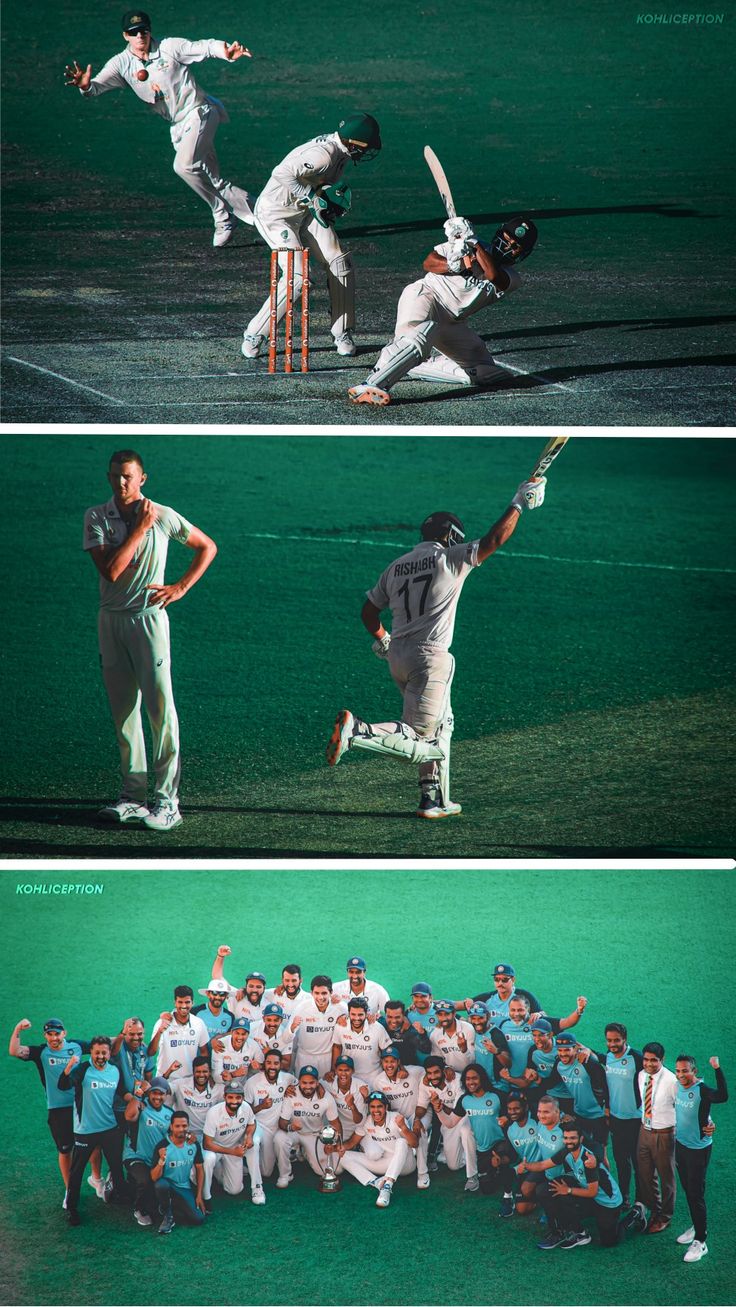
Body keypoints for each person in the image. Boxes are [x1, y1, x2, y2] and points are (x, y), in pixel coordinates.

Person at [326, 484, 546, 818]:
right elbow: (493, 541)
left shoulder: (396, 565)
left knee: (444, 724)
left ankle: (433, 799)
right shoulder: (450, 558)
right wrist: (519, 504)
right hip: (430, 660)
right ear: (450, 535)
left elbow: (368, 612)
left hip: (398, 656)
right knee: (420, 737)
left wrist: (384, 639)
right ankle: (357, 731)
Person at [84, 450, 217, 831]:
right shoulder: (96, 517)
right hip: (110, 622)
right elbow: (111, 571)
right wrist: (140, 529)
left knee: (160, 711)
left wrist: (181, 587)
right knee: (124, 712)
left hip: (149, 622)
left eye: (128, 477)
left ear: (143, 478)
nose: (120, 484)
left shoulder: (164, 515)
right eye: (114, 477)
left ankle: (167, 801)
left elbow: (206, 546)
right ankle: (133, 797)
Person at [64, 10, 256, 247]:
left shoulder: (169, 47)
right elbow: (95, 88)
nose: (140, 36)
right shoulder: (120, 64)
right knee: (214, 181)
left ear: (150, 31)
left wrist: (224, 51)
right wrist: (85, 86)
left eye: (143, 30)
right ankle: (264, 211)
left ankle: (222, 215)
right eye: (134, 33)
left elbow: (203, 47)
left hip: (200, 113)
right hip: (178, 127)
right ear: (126, 36)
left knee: (183, 166)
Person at [348, 214, 537, 405]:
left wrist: (473, 243)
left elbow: (494, 276)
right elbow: (429, 262)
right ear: (499, 234)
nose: (506, 248)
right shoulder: (463, 243)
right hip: (426, 296)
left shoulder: (512, 277)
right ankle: (371, 384)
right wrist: (454, 264)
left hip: (452, 321)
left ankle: (412, 366)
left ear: (522, 254)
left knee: (487, 373)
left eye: (514, 247)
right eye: (505, 240)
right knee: (419, 335)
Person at [241, 113, 381, 360]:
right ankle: (255, 334)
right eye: (366, 146)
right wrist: (311, 195)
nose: (367, 151)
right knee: (297, 278)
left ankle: (342, 333)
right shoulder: (324, 155)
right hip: (276, 216)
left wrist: (323, 200)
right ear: (353, 143)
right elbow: (281, 173)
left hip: (304, 212)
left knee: (340, 263)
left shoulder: (341, 153)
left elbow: (316, 184)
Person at [8, 1018, 102, 1205]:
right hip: (58, 1110)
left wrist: (124, 1034)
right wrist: (18, 1029)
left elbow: (101, 1045)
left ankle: (97, 1179)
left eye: (57, 1033)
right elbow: (14, 1051)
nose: (53, 1038)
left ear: (64, 1033)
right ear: (45, 1036)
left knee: (94, 1143)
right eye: (50, 1034)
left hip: (81, 1105)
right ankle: (70, 1190)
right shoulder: (41, 1052)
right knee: (65, 1150)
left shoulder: (76, 1046)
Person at [57, 1036, 129, 1227]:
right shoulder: (82, 1070)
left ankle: (124, 1200)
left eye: (104, 1052)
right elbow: (63, 1085)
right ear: (92, 1052)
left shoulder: (114, 1070)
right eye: (96, 1052)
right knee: (77, 1171)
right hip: (85, 1131)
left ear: (109, 1052)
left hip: (110, 1128)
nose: (100, 1056)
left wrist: (136, 1096)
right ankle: (72, 1208)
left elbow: (122, 1092)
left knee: (116, 1166)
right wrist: (67, 1068)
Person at [582, 1024, 644, 1216]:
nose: (613, 1044)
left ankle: (640, 1201)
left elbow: (658, 1075)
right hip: (616, 1119)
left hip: (636, 1119)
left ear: (624, 1038)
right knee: (621, 1160)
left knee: (638, 1162)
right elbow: (599, 1056)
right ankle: (625, 1196)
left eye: (616, 1040)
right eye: (609, 1040)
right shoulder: (608, 1057)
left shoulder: (637, 1058)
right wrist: (584, 1049)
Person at [534, 1122, 624, 1251]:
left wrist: (568, 1190)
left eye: (573, 1138)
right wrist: (523, 1167)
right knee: (553, 1191)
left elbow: (592, 1192)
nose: (569, 1141)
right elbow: (543, 1165)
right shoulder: (567, 1151)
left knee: (609, 1241)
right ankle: (579, 1233)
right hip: (591, 1198)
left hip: (608, 1203)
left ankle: (634, 1215)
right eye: (566, 1138)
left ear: (581, 1139)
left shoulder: (588, 1160)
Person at [673, 1053, 727, 1263]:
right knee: (688, 1189)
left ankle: (701, 1241)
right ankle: (697, 1224)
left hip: (698, 1149)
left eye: (685, 1071)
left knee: (696, 1193)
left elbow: (722, 1096)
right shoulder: (676, 1086)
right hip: (681, 1146)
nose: (681, 1075)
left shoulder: (702, 1090)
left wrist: (717, 1068)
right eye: (678, 1071)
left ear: (694, 1071)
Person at [336, 1091, 418, 1207]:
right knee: (343, 1156)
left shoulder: (396, 1118)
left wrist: (403, 1127)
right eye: (372, 1107)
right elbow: (351, 1143)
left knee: (401, 1142)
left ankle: (387, 1186)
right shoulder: (367, 1121)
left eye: (379, 1106)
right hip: (386, 1164)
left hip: (406, 1165)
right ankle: (376, 1182)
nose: (376, 1110)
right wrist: (334, 1147)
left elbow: (414, 1143)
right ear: (369, 1108)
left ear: (386, 1107)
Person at [435, 1064, 505, 1196]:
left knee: (504, 1166)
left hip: (501, 1144)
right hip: (483, 1149)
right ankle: (489, 1171)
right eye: (467, 1079)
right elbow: (450, 1123)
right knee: (487, 1189)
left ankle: (503, 1167)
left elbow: (512, 1116)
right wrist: (439, 1111)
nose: (471, 1082)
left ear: (482, 1079)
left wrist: (506, 1118)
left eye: (474, 1078)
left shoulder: (497, 1096)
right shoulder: (465, 1100)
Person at [414, 1056, 477, 1190]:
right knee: (453, 1166)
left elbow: (458, 1111)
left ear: (444, 1071)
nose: (433, 1076)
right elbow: (421, 1106)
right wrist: (416, 1119)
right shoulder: (425, 1083)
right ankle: (465, 1152)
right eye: (429, 1073)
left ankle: (473, 1173)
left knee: (466, 1132)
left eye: (436, 1072)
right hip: (448, 1122)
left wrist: (439, 1105)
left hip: (464, 1117)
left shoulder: (457, 1080)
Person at [273, 1066, 340, 1188]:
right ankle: (285, 1175)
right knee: (279, 1138)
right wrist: (291, 1127)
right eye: (304, 1083)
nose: (308, 1086)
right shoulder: (292, 1093)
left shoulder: (326, 1097)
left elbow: (335, 1122)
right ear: (299, 1081)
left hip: (314, 1135)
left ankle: (302, 1151)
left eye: (311, 1083)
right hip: (294, 1132)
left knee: (322, 1171)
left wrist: (335, 1144)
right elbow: (282, 1122)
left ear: (317, 1083)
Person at [635, 1041, 678, 1234]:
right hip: (644, 1131)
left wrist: (707, 1121)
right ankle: (655, 1210)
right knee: (645, 1174)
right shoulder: (641, 1075)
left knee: (666, 1177)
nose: (649, 1064)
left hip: (664, 1134)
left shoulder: (671, 1081)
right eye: (646, 1059)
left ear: (662, 1060)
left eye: (654, 1060)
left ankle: (665, 1217)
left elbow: (685, 1104)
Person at [202, 1087, 265, 1206]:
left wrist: (249, 1136)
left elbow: (252, 1123)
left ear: (243, 1098)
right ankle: (205, 1196)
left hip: (234, 1146)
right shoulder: (214, 1112)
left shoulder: (246, 1107)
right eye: (230, 1097)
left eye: (238, 1097)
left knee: (234, 1190)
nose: (234, 1101)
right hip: (215, 1148)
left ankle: (257, 1188)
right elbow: (207, 1144)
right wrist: (232, 1152)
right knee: (209, 1159)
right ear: (224, 1097)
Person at [123, 1075, 173, 1225]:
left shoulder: (169, 1114)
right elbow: (129, 1116)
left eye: (161, 1094)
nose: (157, 1097)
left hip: (155, 1159)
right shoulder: (140, 1105)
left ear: (166, 1095)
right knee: (145, 1180)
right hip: (136, 1156)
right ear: (149, 1093)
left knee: (159, 1185)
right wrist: (138, 1095)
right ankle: (139, 1209)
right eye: (154, 1093)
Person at [243, 1051, 297, 1182]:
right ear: (264, 1065)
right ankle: (246, 1164)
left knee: (267, 1172)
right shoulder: (252, 1083)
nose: (272, 1067)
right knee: (265, 1170)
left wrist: (293, 1088)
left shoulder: (287, 1078)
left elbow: (302, 1085)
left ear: (280, 1065)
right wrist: (261, 1106)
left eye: (276, 1063)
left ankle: (286, 1158)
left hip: (277, 1127)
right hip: (259, 1126)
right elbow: (245, 1112)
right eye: (269, 1063)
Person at [151, 1110, 206, 1234]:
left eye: (184, 1126)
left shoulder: (193, 1144)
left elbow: (200, 1169)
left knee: (198, 1219)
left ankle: (172, 1205)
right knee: (161, 1185)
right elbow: (154, 1178)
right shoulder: (163, 1146)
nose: (181, 1129)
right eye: (177, 1126)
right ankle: (168, 1216)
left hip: (184, 1186)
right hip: (168, 1185)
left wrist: (199, 1195)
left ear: (188, 1126)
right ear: (171, 1127)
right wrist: (161, 1161)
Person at [290, 976, 347, 1077]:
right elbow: (289, 1035)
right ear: (311, 993)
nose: (320, 997)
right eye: (317, 993)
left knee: (325, 1091)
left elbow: (358, 1013)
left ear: (331, 992)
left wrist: (346, 1017)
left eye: (324, 993)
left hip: (327, 1058)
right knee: (304, 1090)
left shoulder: (340, 1008)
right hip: (304, 1057)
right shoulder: (302, 1008)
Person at [149, 986, 211, 1080]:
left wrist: (207, 1076)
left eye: (187, 1002)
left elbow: (204, 1052)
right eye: (180, 1002)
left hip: (189, 1081)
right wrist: (159, 1032)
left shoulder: (199, 1023)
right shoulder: (162, 1022)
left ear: (192, 1003)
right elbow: (151, 1052)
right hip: (166, 1079)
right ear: (175, 1003)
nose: (183, 1006)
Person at [331, 997, 393, 1080]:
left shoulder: (377, 1028)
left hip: (374, 1075)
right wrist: (334, 1070)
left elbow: (386, 1052)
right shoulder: (340, 1027)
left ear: (366, 1014)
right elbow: (337, 1047)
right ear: (348, 1013)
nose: (357, 1018)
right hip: (349, 1076)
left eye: (360, 1014)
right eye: (353, 1014)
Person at [170, 1056, 223, 1141]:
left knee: (210, 1155)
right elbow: (162, 1087)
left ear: (210, 1072)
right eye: (198, 1072)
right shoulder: (181, 1084)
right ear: (193, 1072)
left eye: (205, 1071)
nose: (201, 1075)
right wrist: (169, 1072)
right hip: (184, 1134)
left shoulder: (219, 1088)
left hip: (208, 1135)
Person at [210, 946, 267, 1022]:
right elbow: (217, 977)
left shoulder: (268, 1002)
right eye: (251, 986)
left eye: (258, 987)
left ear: (264, 988)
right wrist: (220, 956)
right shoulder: (236, 996)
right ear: (246, 987)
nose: (254, 990)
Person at [378, 1000, 432, 1066]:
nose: (393, 1021)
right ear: (385, 1015)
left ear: (403, 1016)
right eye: (389, 1017)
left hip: (408, 1068)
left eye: (397, 1017)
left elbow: (426, 1050)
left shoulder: (409, 1030)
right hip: (387, 1069)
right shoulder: (380, 1024)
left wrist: (422, 1033)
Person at [428, 1000, 475, 1072]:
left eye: (447, 1014)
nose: (443, 1018)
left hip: (470, 1073)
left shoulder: (468, 1029)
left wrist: (464, 1050)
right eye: (440, 1014)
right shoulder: (434, 1034)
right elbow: (437, 1060)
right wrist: (446, 1068)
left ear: (454, 1013)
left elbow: (473, 1061)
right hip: (450, 1075)